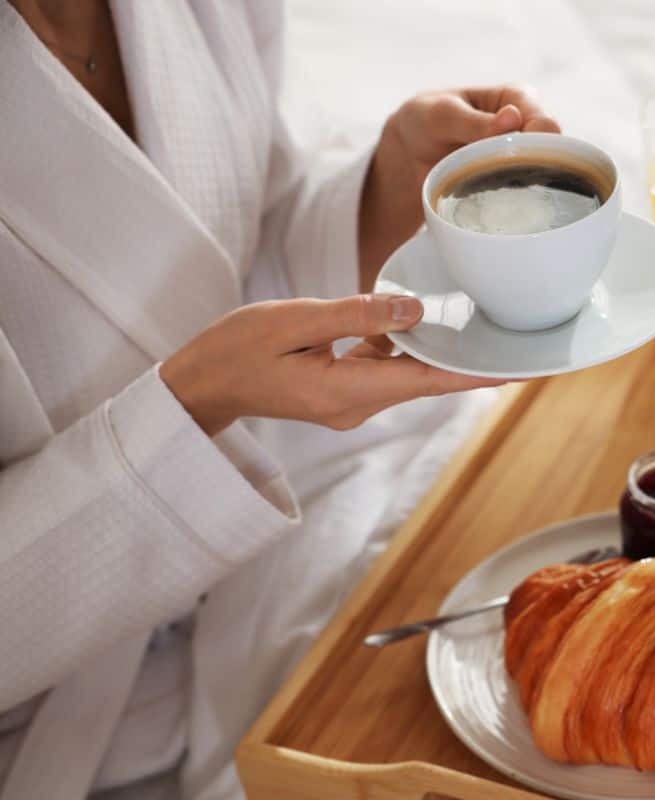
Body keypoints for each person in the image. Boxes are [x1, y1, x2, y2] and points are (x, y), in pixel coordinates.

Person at [0, 1, 560, 797]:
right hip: (67, 721)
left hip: (268, 540)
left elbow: (224, 263)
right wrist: (193, 406)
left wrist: (377, 202)